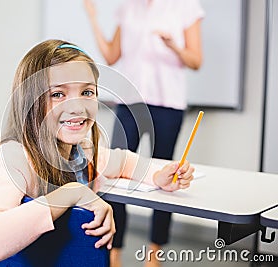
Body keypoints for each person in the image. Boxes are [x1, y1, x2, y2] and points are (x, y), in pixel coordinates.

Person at [0, 39, 195, 265]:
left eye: (87, 92)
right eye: (57, 94)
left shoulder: (84, 153)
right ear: (29, 101)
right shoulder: (14, 158)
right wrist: (72, 193)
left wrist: (158, 176)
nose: (77, 107)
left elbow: (124, 161)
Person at [84, 0, 204, 266]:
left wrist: (174, 46)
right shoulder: (128, 7)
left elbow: (196, 60)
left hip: (167, 104)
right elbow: (111, 56)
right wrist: (92, 17)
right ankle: (114, 254)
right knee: (112, 175)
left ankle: (154, 254)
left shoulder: (186, 6)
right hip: (130, 102)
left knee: (166, 177)